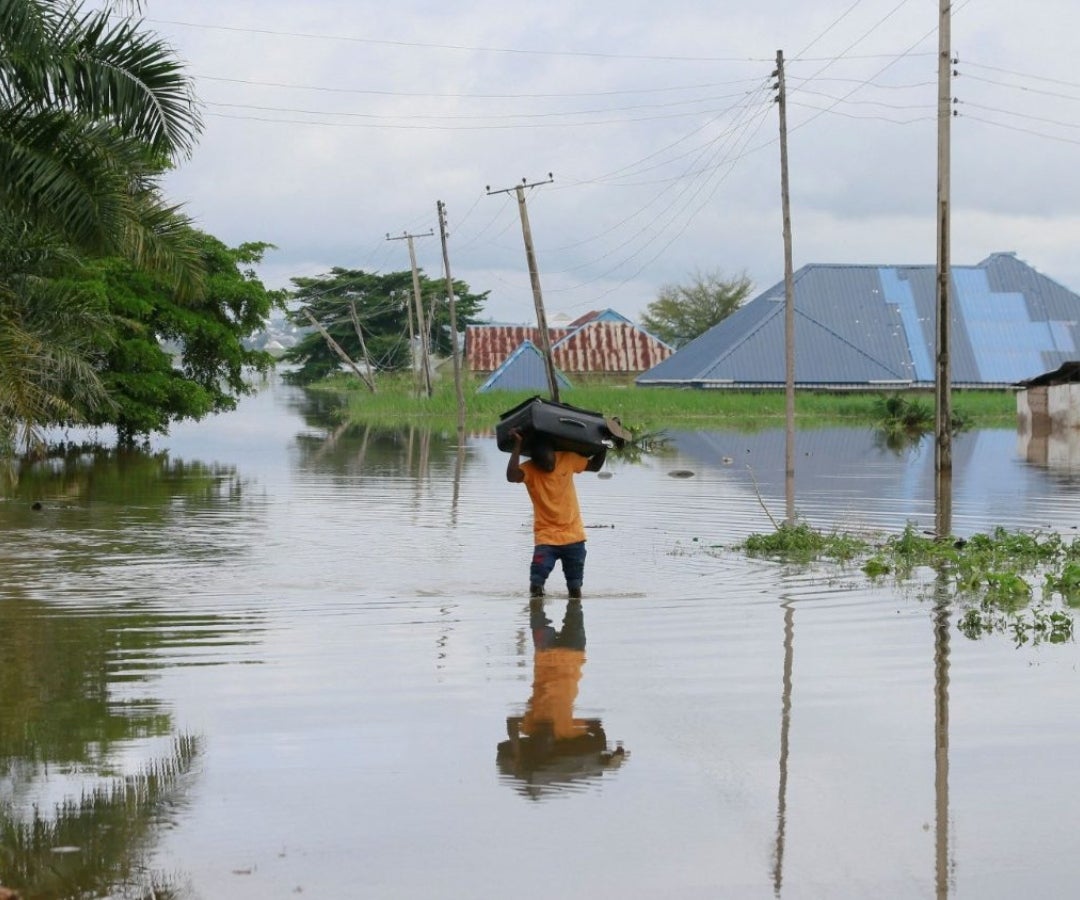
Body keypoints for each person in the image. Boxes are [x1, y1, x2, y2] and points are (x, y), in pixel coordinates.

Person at [506, 427, 606, 599]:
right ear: (534, 460)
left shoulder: (567, 459)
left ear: (554, 452)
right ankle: (537, 619)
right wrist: (517, 445)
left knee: (575, 590)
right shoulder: (529, 469)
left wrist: (606, 442)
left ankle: (572, 620)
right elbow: (510, 475)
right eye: (542, 464)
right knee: (536, 583)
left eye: (549, 462)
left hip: (574, 537)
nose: (547, 467)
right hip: (546, 538)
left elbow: (595, 465)